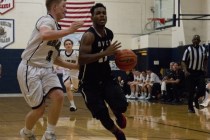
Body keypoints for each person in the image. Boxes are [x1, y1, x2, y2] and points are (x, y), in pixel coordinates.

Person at [17, 0, 84, 139]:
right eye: (64, 6)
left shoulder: (57, 29)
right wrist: (70, 30)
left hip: (47, 68)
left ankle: (49, 134)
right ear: (54, 7)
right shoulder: (46, 20)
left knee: (59, 95)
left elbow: (54, 58)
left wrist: (76, 66)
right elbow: (44, 34)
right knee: (39, 110)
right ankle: (26, 132)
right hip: (30, 67)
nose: (66, 9)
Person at [78, 3, 128, 140]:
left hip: (106, 77)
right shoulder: (89, 36)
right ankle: (117, 133)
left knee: (122, 105)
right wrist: (105, 52)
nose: (102, 15)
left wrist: (119, 56)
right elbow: (81, 59)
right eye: (98, 13)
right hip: (89, 83)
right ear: (92, 16)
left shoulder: (109, 34)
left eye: (104, 13)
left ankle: (118, 114)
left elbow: (108, 52)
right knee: (102, 114)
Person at [181, 35, 208, 113]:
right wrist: (185, 71)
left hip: (200, 72)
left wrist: (205, 68)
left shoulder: (203, 49)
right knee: (191, 91)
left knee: (202, 89)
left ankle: (196, 99)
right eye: (194, 39)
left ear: (199, 41)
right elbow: (183, 61)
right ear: (192, 41)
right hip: (190, 72)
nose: (196, 40)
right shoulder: (188, 50)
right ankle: (190, 107)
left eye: (197, 39)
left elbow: (205, 59)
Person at [60, 39, 79, 111]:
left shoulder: (77, 53)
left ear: (72, 45)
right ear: (64, 46)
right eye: (66, 44)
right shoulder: (62, 53)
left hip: (76, 72)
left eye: (69, 44)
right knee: (67, 87)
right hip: (66, 73)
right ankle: (73, 105)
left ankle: (75, 87)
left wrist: (75, 67)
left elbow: (81, 62)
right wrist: (58, 67)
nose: (68, 45)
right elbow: (60, 62)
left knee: (75, 87)